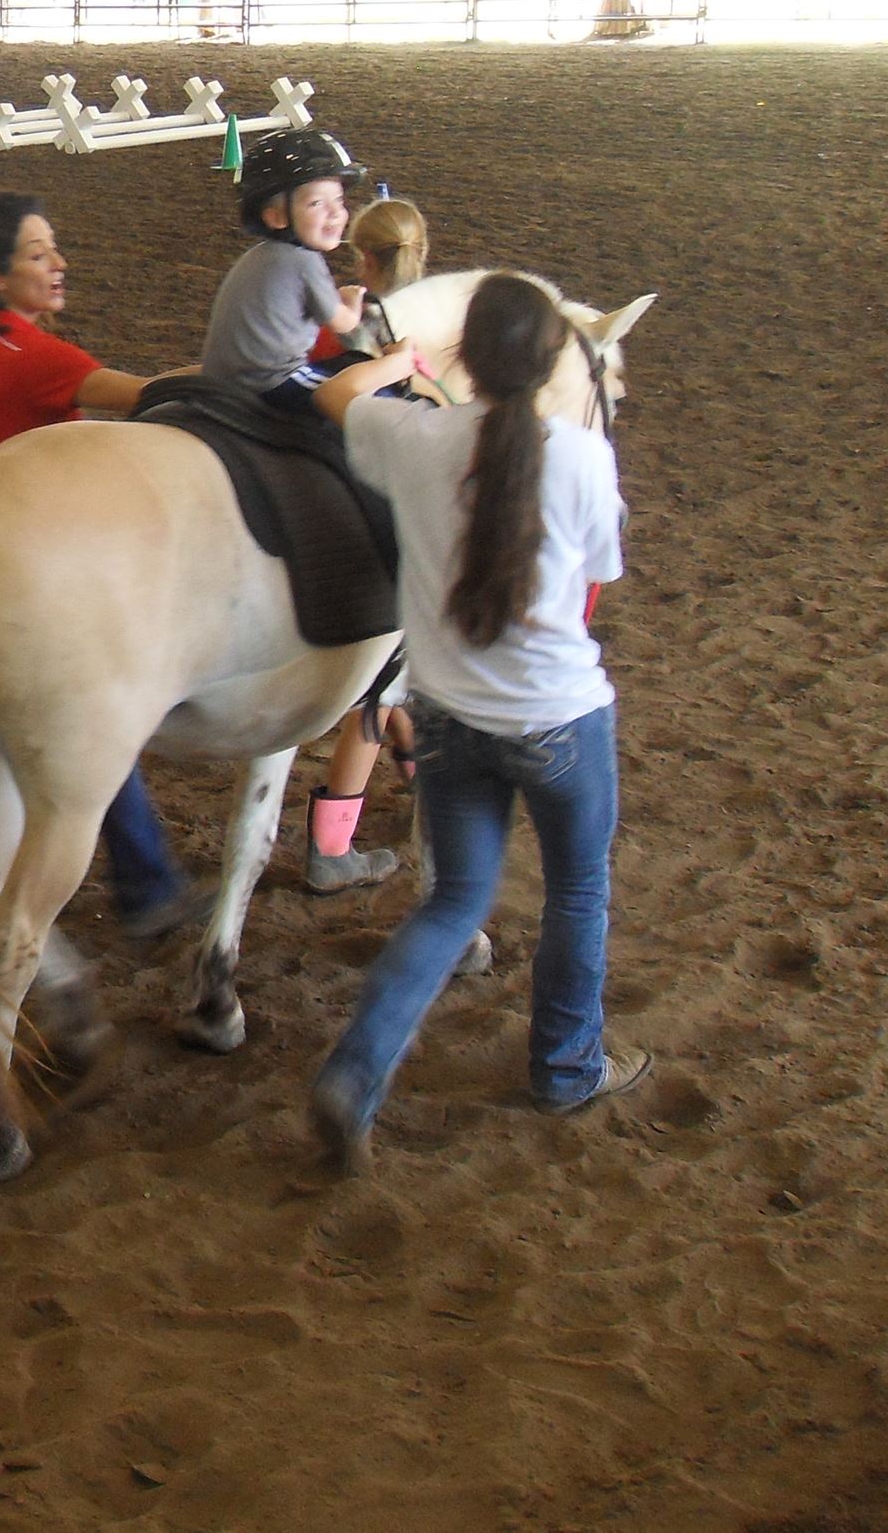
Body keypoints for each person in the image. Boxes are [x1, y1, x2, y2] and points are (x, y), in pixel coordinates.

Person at [307, 274, 647, 1175]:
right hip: (562, 717)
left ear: (467, 357)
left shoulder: (410, 437)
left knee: (455, 902)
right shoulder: (579, 458)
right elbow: (601, 565)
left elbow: (337, 393)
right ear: (552, 363)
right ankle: (568, 1068)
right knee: (579, 894)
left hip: (451, 718)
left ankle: (356, 1069)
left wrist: (396, 364)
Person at [0, 191, 194, 937]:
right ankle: (147, 884)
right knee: (95, 726)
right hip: (24, 561)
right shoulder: (37, 357)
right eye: (38, 254)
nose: (58, 264)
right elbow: (143, 397)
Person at [301, 193, 433, 893]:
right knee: (382, 688)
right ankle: (330, 848)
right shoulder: (436, 326)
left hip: (337, 482)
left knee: (392, 677)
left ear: (364, 257)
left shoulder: (349, 307)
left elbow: (313, 366)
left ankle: (418, 773)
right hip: (399, 496)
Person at [202, 127, 371, 418]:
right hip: (272, 382)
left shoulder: (258, 256)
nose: (336, 213)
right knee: (366, 403)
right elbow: (343, 324)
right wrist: (353, 302)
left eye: (339, 201)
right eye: (317, 203)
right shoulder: (304, 262)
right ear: (276, 217)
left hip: (221, 380)